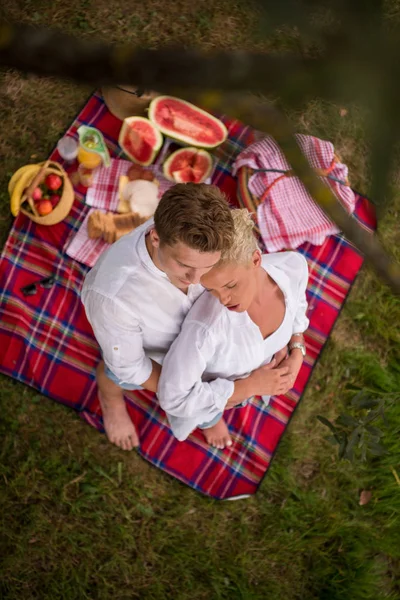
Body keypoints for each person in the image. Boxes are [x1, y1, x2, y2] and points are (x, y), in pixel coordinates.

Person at [81, 183, 235, 451]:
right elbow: (130, 366)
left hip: (201, 336)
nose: (197, 279)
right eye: (184, 266)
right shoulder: (112, 298)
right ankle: (110, 399)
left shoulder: (207, 237)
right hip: (151, 354)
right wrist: (189, 393)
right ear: (155, 237)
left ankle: (207, 414)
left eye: (208, 266)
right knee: (118, 373)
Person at [158, 209, 309, 449]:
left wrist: (297, 349)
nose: (224, 299)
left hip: (256, 373)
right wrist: (248, 387)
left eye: (230, 285)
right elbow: (173, 398)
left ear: (256, 260)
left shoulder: (291, 266)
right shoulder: (205, 330)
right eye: (211, 289)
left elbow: (298, 303)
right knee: (209, 413)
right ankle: (210, 420)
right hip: (217, 390)